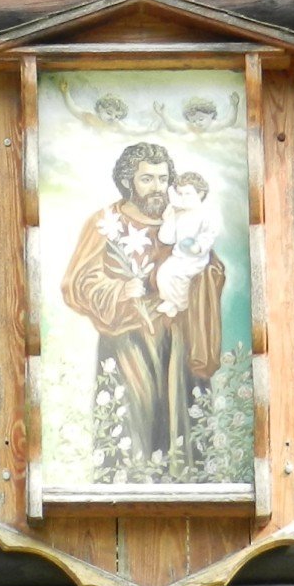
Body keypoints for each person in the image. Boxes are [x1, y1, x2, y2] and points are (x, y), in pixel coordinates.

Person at [59, 142, 225, 465]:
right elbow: (77, 283)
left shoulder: (181, 218)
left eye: (163, 179)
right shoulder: (106, 222)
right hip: (129, 344)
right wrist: (122, 290)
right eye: (147, 179)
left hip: (178, 341)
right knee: (134, 426)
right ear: (128, 181)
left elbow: (212, 268)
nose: (157, 188)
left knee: (180, 427)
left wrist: (200, 273)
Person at [153, 171, 219, 319]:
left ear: (200, 194)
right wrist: (168, 220)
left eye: (188, 194)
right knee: (163, 272)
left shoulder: (206, 215)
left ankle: (180, 304)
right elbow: (166, 239)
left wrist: (198, 247)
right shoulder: (179, 215)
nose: (183, 198)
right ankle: (170, 301)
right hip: (178, 257)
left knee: (179, 275)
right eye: (180, 194)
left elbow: (208, 235)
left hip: (195, 259)